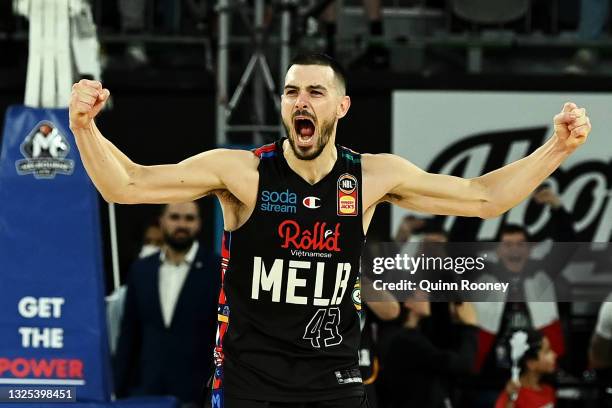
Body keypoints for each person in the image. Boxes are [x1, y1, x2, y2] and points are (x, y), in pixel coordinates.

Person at [69, 53, 590, 407]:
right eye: (292, 91)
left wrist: (558, 149)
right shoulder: (243, 172)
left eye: (315, 92)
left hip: (333, 379)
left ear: (339, 107)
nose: (301, 101)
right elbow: (128, 185)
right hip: (251, 380)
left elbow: (484, 197)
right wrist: (84, 128)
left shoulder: (371, 176)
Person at [113, 202, 220, 407]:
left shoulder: (217, 270)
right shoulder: (141, 270)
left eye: (189, 218)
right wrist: (118, 388)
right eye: (174, 217)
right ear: (161, 221)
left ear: (199, 224)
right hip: (145, 391)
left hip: (197, 393)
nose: (182, 224)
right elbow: (129, 334)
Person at [381, 296, 479, 408]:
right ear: (408, 301)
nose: (428, 298)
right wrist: (470, 326)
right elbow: (462, 364)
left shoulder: (415, 337)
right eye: (422, 293)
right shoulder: (406, 341)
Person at [494, 330, 557, 408]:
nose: (554, 355)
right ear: (531, 363)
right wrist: (510, 401)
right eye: (547, 351)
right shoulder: (512, 396)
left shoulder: (548, 391)